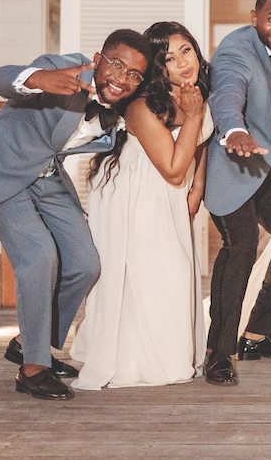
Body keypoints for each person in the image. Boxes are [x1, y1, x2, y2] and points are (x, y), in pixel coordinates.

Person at [0, 29, 150, 400]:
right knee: (39, 258)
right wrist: (36, 79)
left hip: (45, 174)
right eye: (116, 65)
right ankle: (32, 369)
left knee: (85, 264)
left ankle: (29, 342)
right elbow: (0, 77)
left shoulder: (122, 108)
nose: (122, 78)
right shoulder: (62, 69)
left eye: (134, 74)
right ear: (97, 60)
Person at [71, 22, 212, 389]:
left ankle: (167, 347)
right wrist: (194, 119)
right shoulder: (141, 106)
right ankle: (136, 357)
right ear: (156, 69)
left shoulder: (197, 93)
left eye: (187, 51)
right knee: (148, 271)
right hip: (136, 191)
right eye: (169, 58)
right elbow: (172, 168)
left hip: (171, 193)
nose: (182, 63)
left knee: (170, 270)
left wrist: (199, 187)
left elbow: (200, 144)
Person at [204, 0, 271, 385]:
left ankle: (260, 331)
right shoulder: (235, 50)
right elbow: (227, 91)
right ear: (254, 16)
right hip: (234, 165)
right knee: (241, 247)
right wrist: (234, 130)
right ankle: (219, 351)